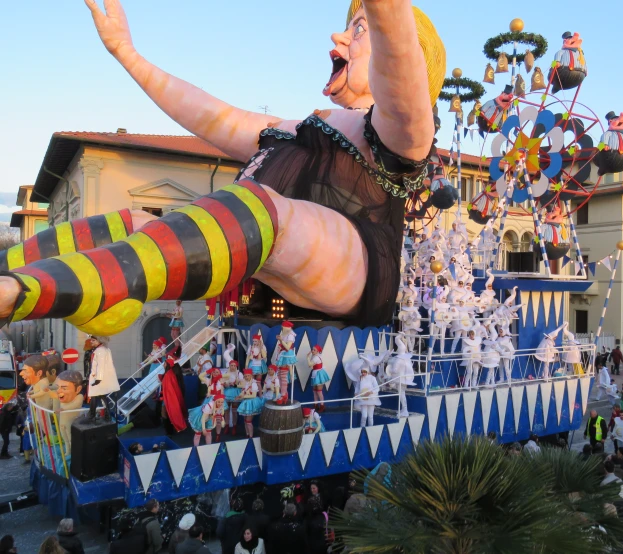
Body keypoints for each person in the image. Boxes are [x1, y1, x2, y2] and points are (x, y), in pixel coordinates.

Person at [0, 0, 444, 350]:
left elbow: (400, 65)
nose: (338, 36)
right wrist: (127, 54)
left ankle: (33, 291)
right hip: (276, 245)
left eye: (359, 29)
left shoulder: (403, 129)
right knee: (136, 225)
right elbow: (212, 115)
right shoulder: (299, 128)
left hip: (358, 265)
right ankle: (8, 271)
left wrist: (383, 16)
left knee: (266, 209)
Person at [86, 335, 120, 421]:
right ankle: (106, 414)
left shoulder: (100, 351)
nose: (91, 342)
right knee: (101, 395)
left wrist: (98, 378)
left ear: (99, 341)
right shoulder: (102, 350)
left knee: (94, 395)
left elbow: (100, 366)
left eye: (93, 340)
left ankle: (92, 414)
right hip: (98, 377)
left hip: (98, 377)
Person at [159, 356, 188, 435]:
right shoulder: (171, 373)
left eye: (164, 363)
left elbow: (168, 388)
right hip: (168, 397)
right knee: (168, 413)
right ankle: (170, 429)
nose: (163, 365)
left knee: (164, 413)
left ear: (167, 364)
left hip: (167, 397)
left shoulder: (168, 374)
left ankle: (168, 431)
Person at [237, 370, 264, 438]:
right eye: (245, 376)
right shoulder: (245, 383)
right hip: (246, 402)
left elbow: (254, 395)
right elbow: (243, 391)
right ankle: (247, 434)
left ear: (251, 376)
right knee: (245, 420)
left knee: (248, 421)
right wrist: (240, 396)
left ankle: (251, 436)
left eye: (248, 375)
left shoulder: (254, 384)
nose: (246, 377)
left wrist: (243, 396)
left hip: (252, 402)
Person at [308, 345, 331, 412]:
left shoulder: (316, 358)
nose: (312, 351)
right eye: (312, 349)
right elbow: (310, 366)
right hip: (315, 374)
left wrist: (307, 357)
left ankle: (322, 405)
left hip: (319, 374)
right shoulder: (314, 357)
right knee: (315, 391)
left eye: (314, 350)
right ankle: (315, 405)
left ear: (318, 351)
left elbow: (309, 365)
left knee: (319, 391)